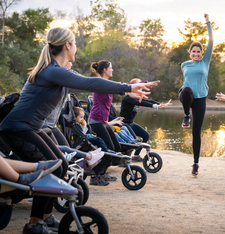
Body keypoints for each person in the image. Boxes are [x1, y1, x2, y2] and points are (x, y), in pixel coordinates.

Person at [0, 27, 157, 234]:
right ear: (67, 45)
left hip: (30, 128)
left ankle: (45, 218)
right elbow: (89, 82)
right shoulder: (52, 71)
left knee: (61, 165)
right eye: (74, 44)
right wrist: (127, 87)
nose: (75, 48)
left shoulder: (57, 70)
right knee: (53, 168)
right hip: (16, 128)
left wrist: (127, 87)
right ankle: (34, 223)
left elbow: (90, 81)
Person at [179, 13, 213, 176]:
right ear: (190, 52)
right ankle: (186, 115)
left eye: (198, 52)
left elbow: (211, 42)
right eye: (194, 51)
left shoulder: (205, 61)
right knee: (186, 90)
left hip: (200, 99)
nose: (196, 54)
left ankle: (195, 163)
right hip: (186, 96)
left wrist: (208, 23)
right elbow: (187, 82)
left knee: (196, 132)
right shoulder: (184, 64)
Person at [119, 78, 172, 159]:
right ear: (132, 87)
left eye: (140, 88)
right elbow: (140, 103)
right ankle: (124, 157)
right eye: (138, 87)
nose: (139, 89)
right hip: (123, 124)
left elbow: (148, 101)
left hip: (130, 123)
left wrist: (160, 104)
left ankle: (136, 156)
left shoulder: (136, 97)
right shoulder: (127, 98)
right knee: (132, 140)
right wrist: (155, 106)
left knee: (146, 136)